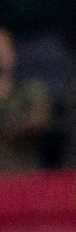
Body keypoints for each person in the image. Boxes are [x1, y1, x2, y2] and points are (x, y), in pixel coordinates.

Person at [0, 28, 51, 173]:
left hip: (23, 174)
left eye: (5, 46)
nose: (1, 53)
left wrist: (11, 130)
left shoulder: (31, 89)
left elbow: (39, 119)